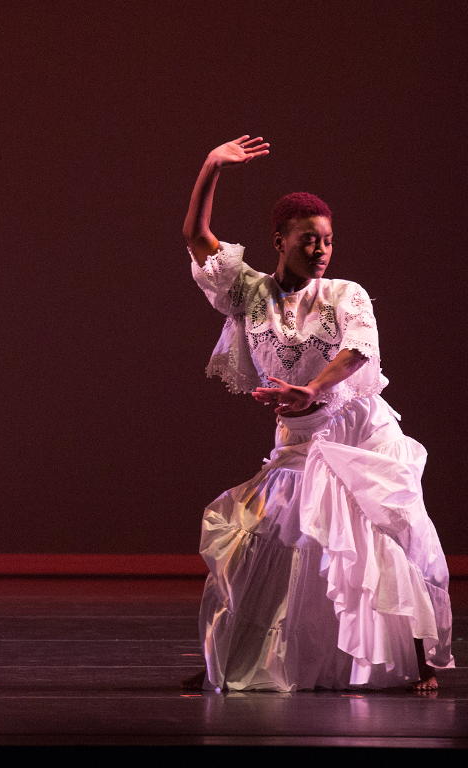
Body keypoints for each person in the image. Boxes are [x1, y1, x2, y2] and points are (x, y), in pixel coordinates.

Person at [181, 136, 453, 692]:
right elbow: (196, 236)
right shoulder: (250, 293)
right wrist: (212, 165)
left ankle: (414, 658)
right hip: (301, 436)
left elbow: (359, 349)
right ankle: (246, 654)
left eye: (327, 240)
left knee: (382, 532)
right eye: (309, 240)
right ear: (279, 241)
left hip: (357, 430)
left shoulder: (346, 293)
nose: (321, 250)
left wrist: (312, 388)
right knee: (269, 543)